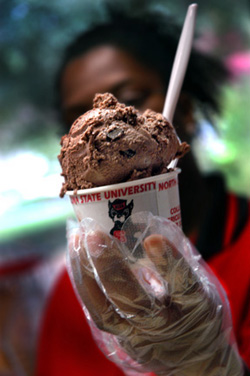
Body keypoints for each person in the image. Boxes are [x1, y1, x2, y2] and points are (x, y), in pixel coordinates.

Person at [35, 1, 250, 375]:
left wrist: (212, 365)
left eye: (131, 99)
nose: (102, 128)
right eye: (76, 118)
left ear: (183, 112)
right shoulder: (77, 293)